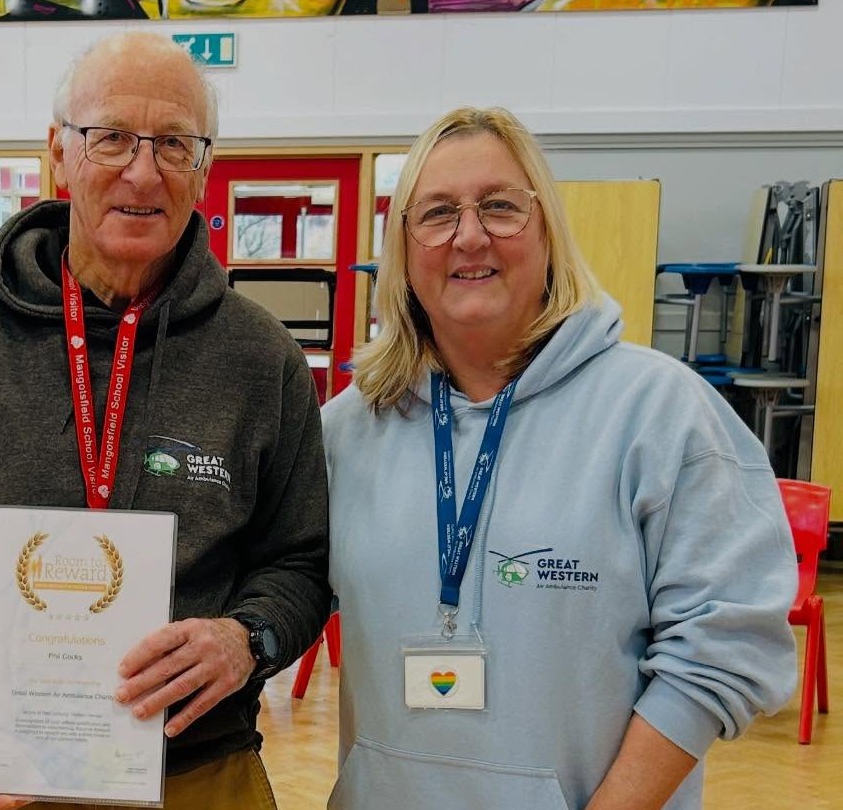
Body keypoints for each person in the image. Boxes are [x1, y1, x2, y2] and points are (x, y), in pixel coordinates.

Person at [0, 31, 330, 810]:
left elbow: (301, 564)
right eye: (111, 139)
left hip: (201, 774)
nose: (142, 171)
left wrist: (246, 641)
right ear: (58, 154)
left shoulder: (262, 359)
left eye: (173, 143)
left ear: (203, 169)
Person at [322, 106, 797, 809]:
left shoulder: (660, 414)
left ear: (547, 231)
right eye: (438, 212)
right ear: (402, 249)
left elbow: (724, 646)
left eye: (500, 207)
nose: (470, 235)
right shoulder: (345, 431)